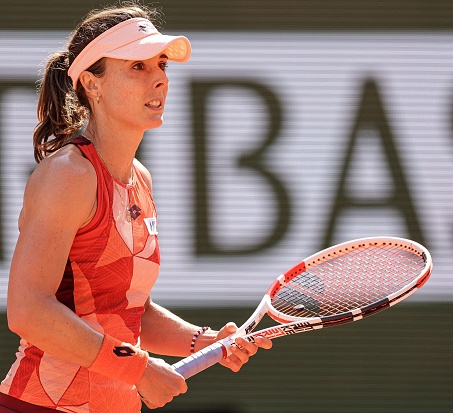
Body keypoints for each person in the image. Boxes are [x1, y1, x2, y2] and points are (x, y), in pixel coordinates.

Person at [0, 3, 272, 412]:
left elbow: (122, 309)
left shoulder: (139, 178)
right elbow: (28, 309)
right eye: (137, 67)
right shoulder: (68, 175)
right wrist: (139, 369)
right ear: (92, 84)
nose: (160, 79)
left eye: (161, 65)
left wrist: (203, 340)